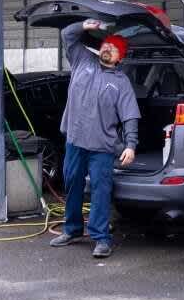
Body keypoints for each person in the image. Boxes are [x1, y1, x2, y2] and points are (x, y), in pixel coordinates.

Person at [50, 19, 140, 258]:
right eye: (106, 45)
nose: (108, 49)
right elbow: (67, 35)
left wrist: (130, 145)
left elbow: (130, 115)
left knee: (100, 190)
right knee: (72, 184)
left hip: (102, 146)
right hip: (74, 141)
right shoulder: (82, 61)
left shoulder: (121, 83)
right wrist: (84, 26)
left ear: (120, 58)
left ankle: (101, 238)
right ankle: (72, 230)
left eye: (114, 48)